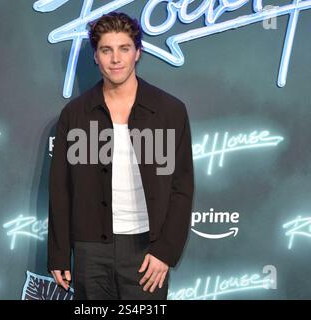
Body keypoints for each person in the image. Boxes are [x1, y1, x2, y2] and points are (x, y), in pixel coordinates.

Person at [48, 12, 194, 300]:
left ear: (137, 53)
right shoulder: (75, 114)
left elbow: (182, 186)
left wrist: (165, 250)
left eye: (124, 49)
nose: (116, 59)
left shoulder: (169, 111)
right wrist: (59, 254)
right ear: (95, 57)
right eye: (106, 50)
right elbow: (60, 189)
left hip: (146, 251)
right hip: (90, 250)